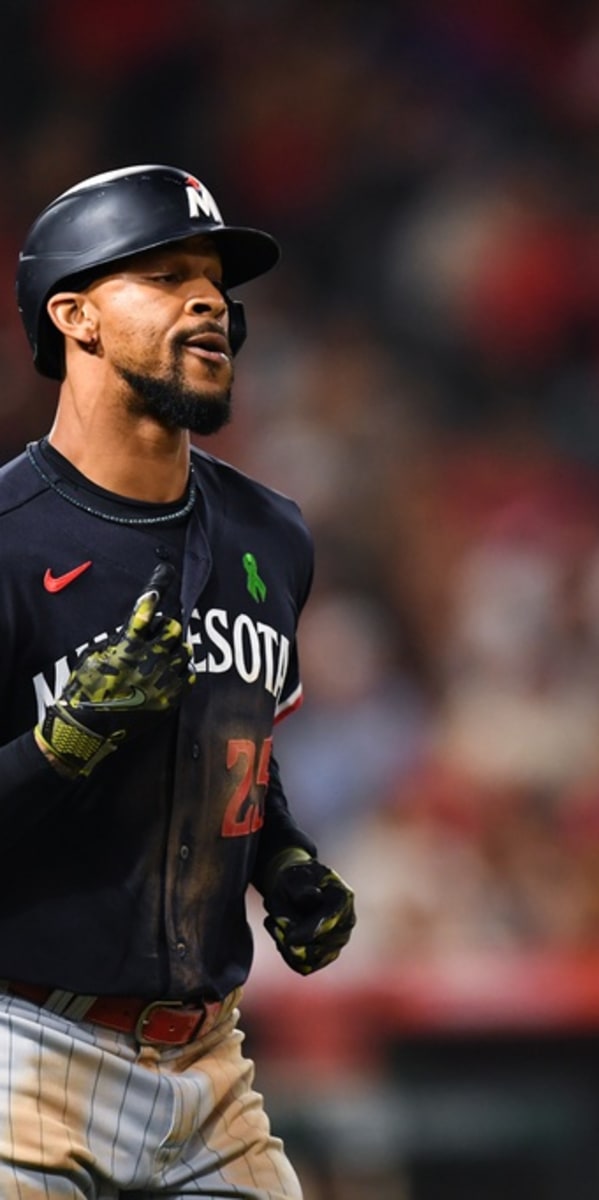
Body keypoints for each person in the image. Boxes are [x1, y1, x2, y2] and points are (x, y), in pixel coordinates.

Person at [0, 164, 357, 1198]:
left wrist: (281, 857)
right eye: (165, 276)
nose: (209, 301)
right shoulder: (8, 541)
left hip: (211, 1071)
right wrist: (61, 746)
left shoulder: (273, 535)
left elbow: (238, 745)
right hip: (23, 1052)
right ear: (75, 317)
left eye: (214, 281)